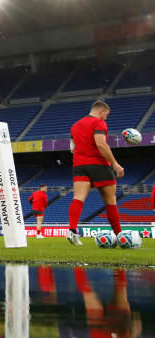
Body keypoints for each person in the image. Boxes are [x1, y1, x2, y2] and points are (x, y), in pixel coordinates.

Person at [66, 100, 124, 245]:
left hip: (79, 164)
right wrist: (115, 164)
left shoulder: (75, 125)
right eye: (106, 115)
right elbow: (100, 144)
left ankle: (72, 230)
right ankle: (120, 236)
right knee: (110, 201)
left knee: (78, 198)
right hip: (98, 164)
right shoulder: (99, 122)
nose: (106, 118)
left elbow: (72, 147)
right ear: (101, 112)